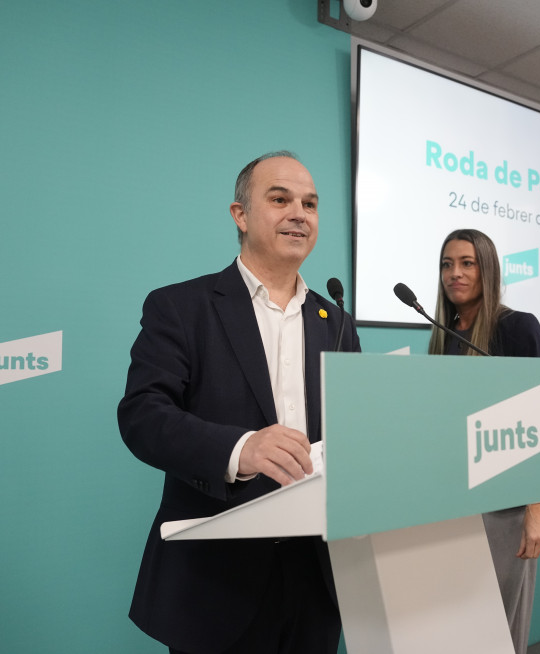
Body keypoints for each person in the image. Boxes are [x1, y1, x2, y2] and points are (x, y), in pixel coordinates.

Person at [117, 151, 360, 654]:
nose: (299, 213)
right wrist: (241, 449)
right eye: (280, 199)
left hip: (318, 581)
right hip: (216, 584)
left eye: (310, 203)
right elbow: (143, 414)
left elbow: (354, 430)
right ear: (240, 215)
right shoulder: (181, 307)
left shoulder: (335, 321)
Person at [427, 228, 540, 654]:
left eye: (466, 263)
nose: (454, 273)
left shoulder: (517, 328)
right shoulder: (444, 332)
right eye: (446, 264)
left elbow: (538, 420)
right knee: (459, 628)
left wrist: (537, 509)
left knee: (499, 632)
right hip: (454, 501)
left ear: (489, 269)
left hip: (505, 506)